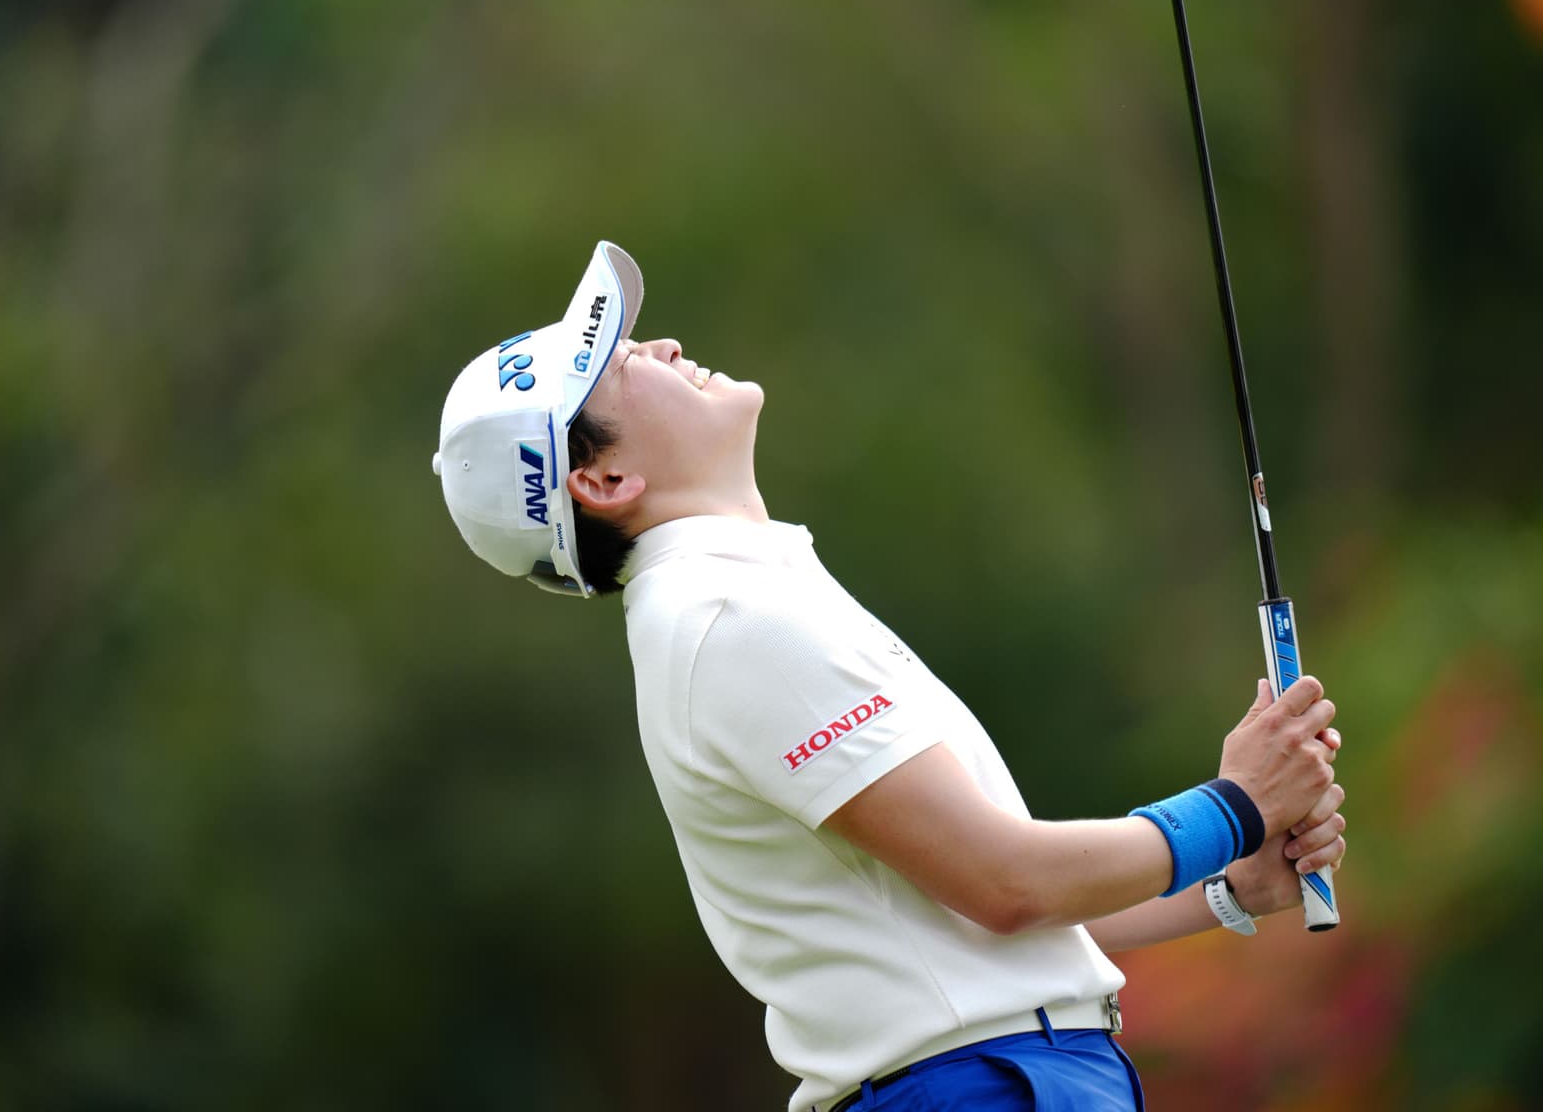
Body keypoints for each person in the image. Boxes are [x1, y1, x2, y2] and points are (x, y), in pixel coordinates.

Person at [433, 243, 1348, 1112]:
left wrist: (1225, 885)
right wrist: (1234, 806)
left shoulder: (739, 597)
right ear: (603, 480)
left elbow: (972, 915)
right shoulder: (723, 617)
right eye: (621, 362)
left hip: (1006, 1077)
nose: (664, 346)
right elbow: (1007, 884)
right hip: (978, 1088)